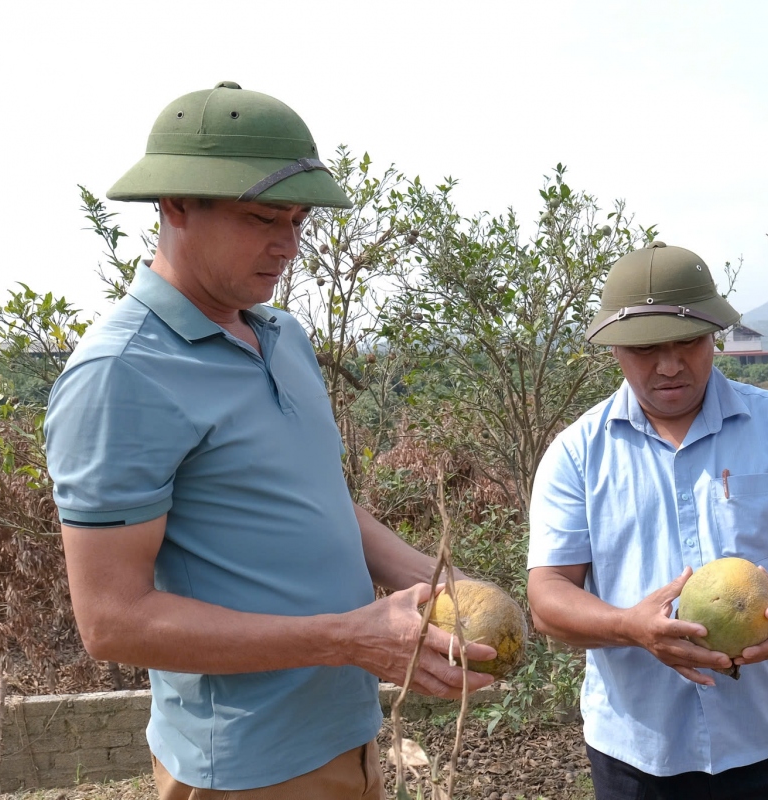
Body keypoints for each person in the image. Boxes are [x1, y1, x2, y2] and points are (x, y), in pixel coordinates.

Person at [44, 82, 495, 799]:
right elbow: (112, 621)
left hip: (343, 730)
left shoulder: (282, 337)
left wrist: (434, 582)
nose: (287, 245)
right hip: (247, 765)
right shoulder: (122, 374)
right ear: (175, 206)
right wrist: (349, 637)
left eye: (298, 220)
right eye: (262, 219)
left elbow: (316, 500)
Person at [526, 242, 768, 800]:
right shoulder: (576, 454)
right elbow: (547, 596)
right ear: (615, 347)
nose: (669, 364)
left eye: (687, 340)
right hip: (639, 756)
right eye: (645, 348)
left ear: (713, 334)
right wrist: (630, 627)